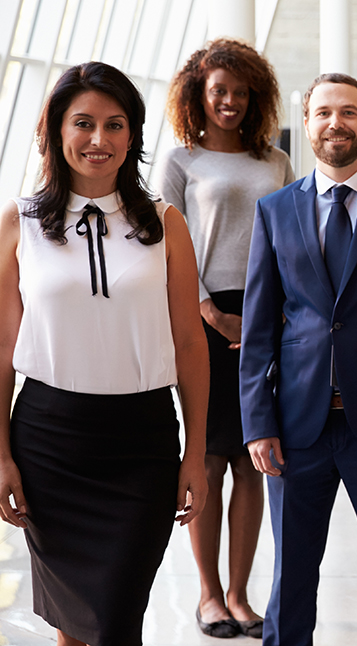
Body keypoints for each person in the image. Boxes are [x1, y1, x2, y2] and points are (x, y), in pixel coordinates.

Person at [0, 61, 209, 645]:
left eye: (115, 125)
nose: (99, 140)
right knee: (73, 621)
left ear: (133, 136)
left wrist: (194, 455)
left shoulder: (166, 225)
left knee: (116, 618)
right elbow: (0, 347)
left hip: (141, 441)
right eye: (83, 123)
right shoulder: (21, 222)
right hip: (48, 441)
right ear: (55, 133)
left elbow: (191, 343)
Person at [239, 73, 357, 646]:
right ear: (306, 121)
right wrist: (258, 423)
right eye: (324, 112)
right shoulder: (274, 210)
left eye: (349, 112)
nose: (336, 123)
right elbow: (259, 328)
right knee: (291, 577)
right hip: (297, 426)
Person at [157, 37, 294, 639]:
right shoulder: (181, 161)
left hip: (269, 319)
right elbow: (165, 250)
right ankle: (208, 595)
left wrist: (275, 318)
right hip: (204, 316)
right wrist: (211, 314)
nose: (231, 102)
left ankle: (241, 594)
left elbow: (293, 245)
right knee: (209, 459)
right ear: (198, 95)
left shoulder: (276, 162)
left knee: (253, 458)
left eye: (241, 92)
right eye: (220, 92)